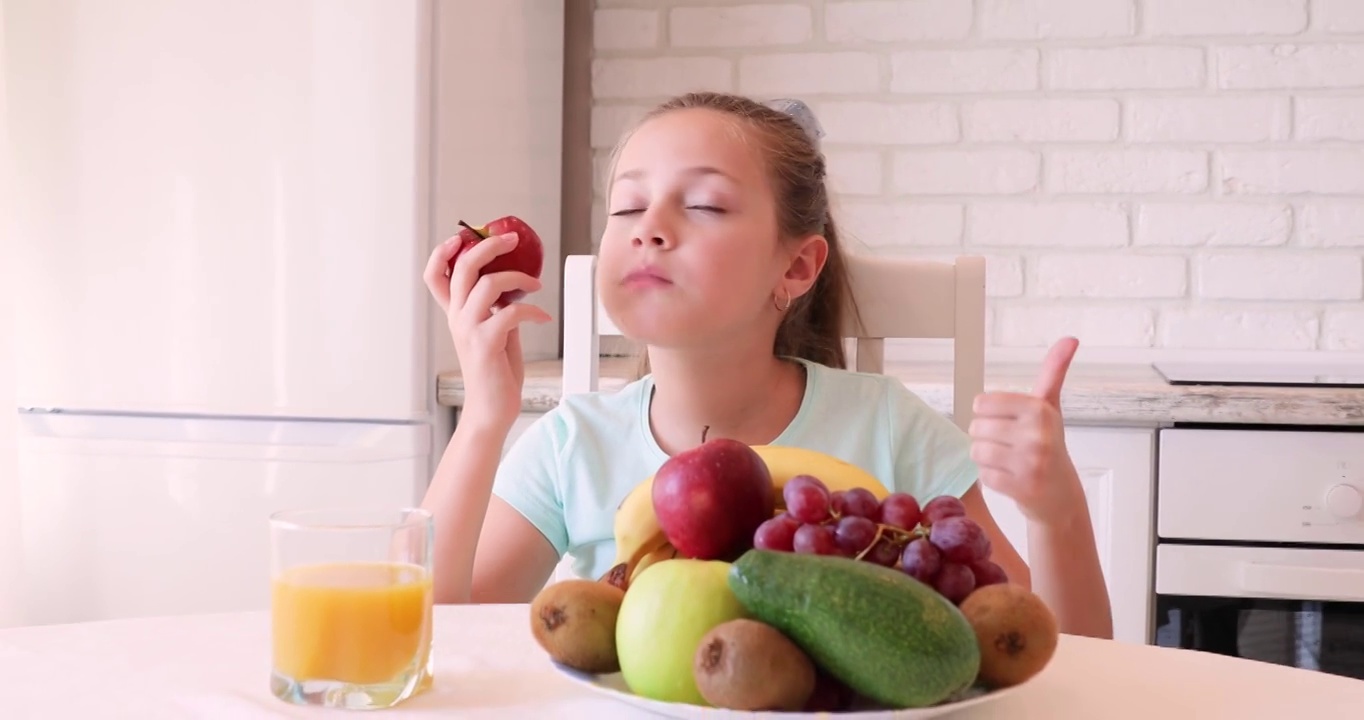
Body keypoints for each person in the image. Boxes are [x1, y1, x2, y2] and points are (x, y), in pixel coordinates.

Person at [420, 91, 1113, 639]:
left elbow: (1058, 654)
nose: (647, 225)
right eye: (627, 204)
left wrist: (1057, 513)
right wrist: (483, 419)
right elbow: (431, 628)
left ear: (797, 265)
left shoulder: (890, 429)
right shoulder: (574, 444)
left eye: (703, 205)